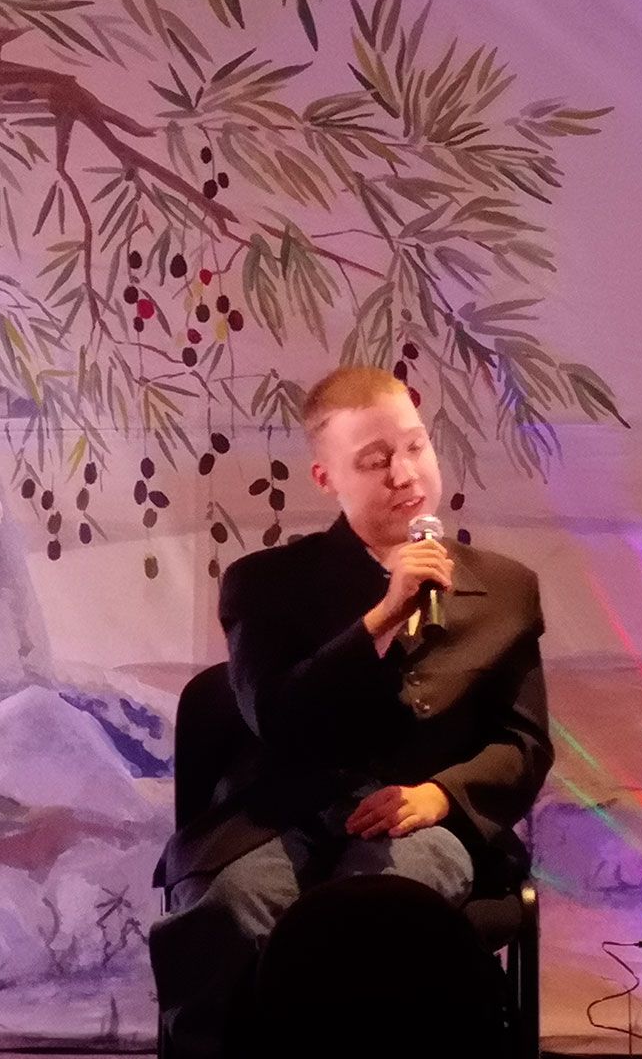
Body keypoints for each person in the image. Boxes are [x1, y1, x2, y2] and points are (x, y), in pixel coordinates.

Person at [150, 367, 553, 1058]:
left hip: (423, 822)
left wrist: (439, 795)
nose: (404, 474)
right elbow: (277, 717)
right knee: (229, 914)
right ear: (326, 478)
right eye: (374, 460)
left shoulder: (506, 590)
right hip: (280, 815)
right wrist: (383, 617)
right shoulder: (267, 584)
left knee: (371, 918)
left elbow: (524, 744)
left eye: (415, 447)